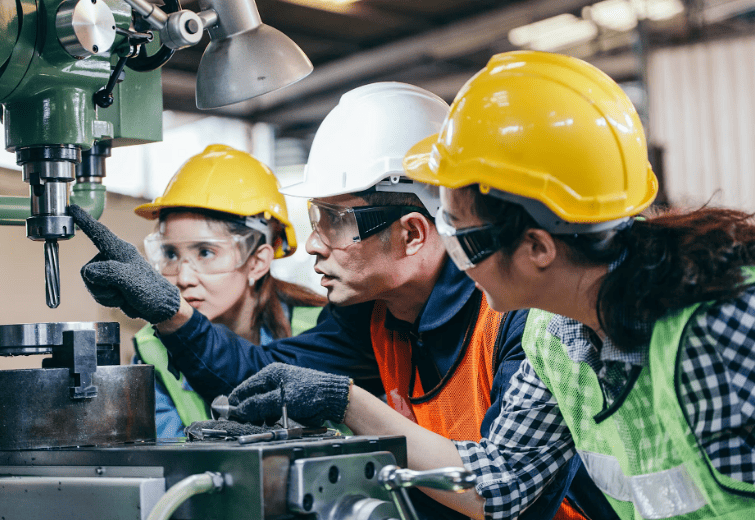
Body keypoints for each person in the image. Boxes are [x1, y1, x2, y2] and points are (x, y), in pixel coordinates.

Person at [68, 83, 586, 520]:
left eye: (335, 221)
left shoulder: (519, 321)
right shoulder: (373, 314)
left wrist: (347, 401)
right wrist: (170, 310)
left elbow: (506, 494)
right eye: (315, 218)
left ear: (410, 234)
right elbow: (261, 375)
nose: (313, 243)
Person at [402, 50, 755, 518]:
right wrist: (345, 401)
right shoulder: (555, 339)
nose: (454, 263)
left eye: (460, 239)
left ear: (537, 248)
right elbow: (501, 480)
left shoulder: (720, 322)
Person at [131, 144, 326, 438]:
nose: (183, 278)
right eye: (170, 254)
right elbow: (165, 461)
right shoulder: (152, 347)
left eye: (206, 252)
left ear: (258, 261)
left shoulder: (318, 329)